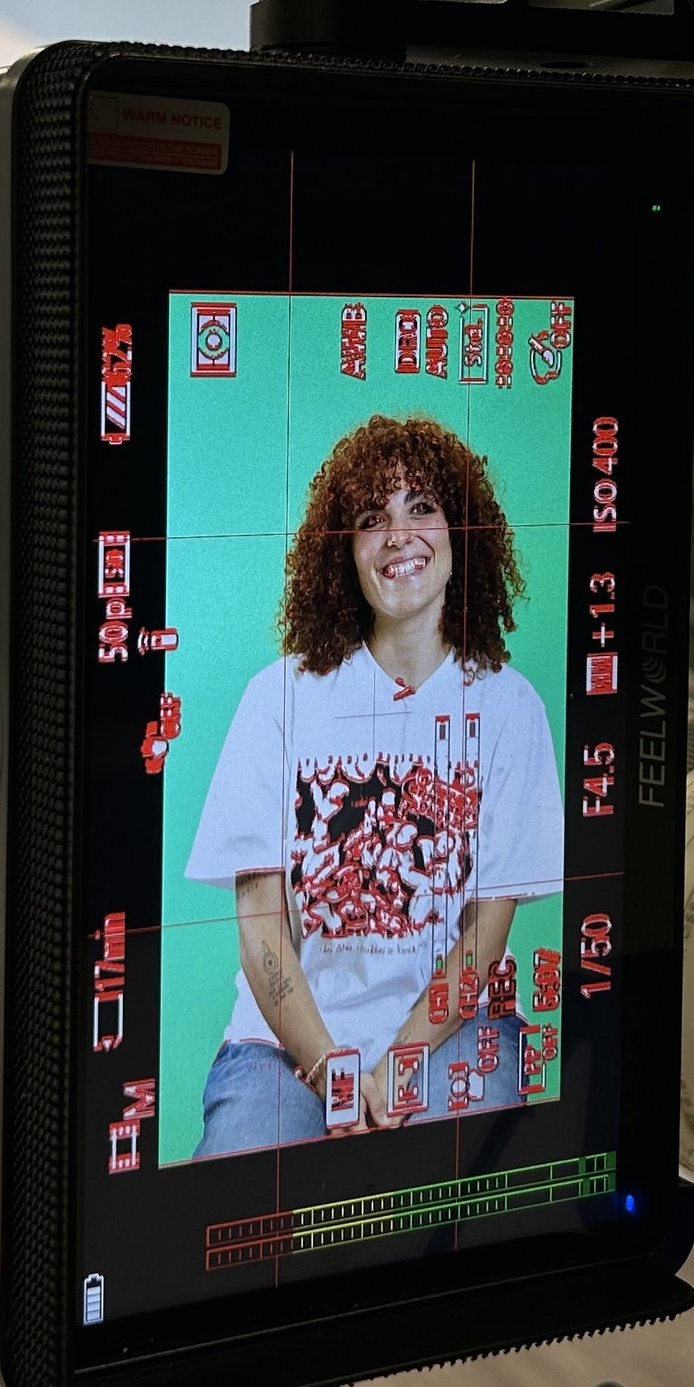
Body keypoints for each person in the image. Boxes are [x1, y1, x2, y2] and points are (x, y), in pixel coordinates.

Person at [184, 412, 560, 1156]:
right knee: (231, 1204)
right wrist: (332, 1070)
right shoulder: (278, 698)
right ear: (344, 553)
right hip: (283, 1050)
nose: (399, 535)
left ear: (463, 533)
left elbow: (485, 935)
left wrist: (397, 1066)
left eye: (422, 506)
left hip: (454, 1034)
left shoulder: (510, 707)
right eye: (370, 517)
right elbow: (262, 924)